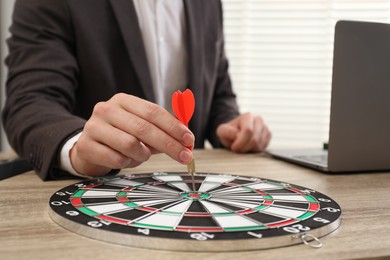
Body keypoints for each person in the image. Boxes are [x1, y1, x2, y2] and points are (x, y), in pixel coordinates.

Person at [2, 0, 271, 180]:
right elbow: (30, 100)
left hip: (190, 196)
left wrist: (229, 125)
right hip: (101, 198)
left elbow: (218, 92)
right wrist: (77, 145)